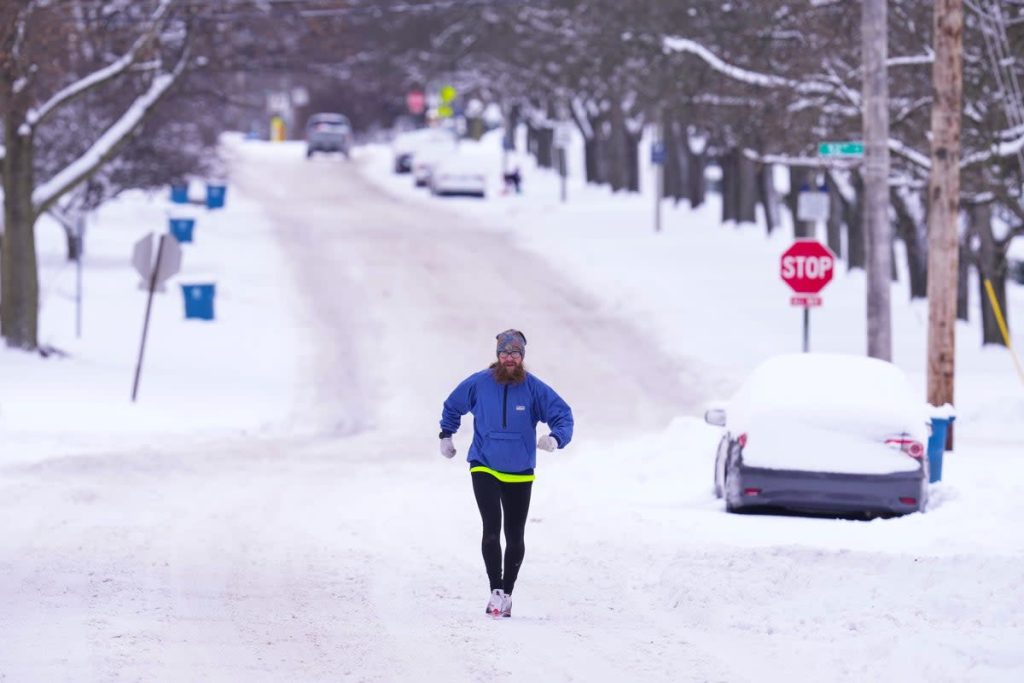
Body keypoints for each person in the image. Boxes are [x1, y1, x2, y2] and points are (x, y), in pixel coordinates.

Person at [438, 329, 574, 618]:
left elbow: (563, 414)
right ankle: (495, 590)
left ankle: (508, 593)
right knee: (491, 528)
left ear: (522, 357)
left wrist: (556, 438)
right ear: (497, 355)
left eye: (515, 353)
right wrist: (446, 434)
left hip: (520, 470)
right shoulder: (479, 383)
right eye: (504, 353)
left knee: (515, 535)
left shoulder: (534, 389)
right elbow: (453, 405)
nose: (509, 358)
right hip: (484, 464)